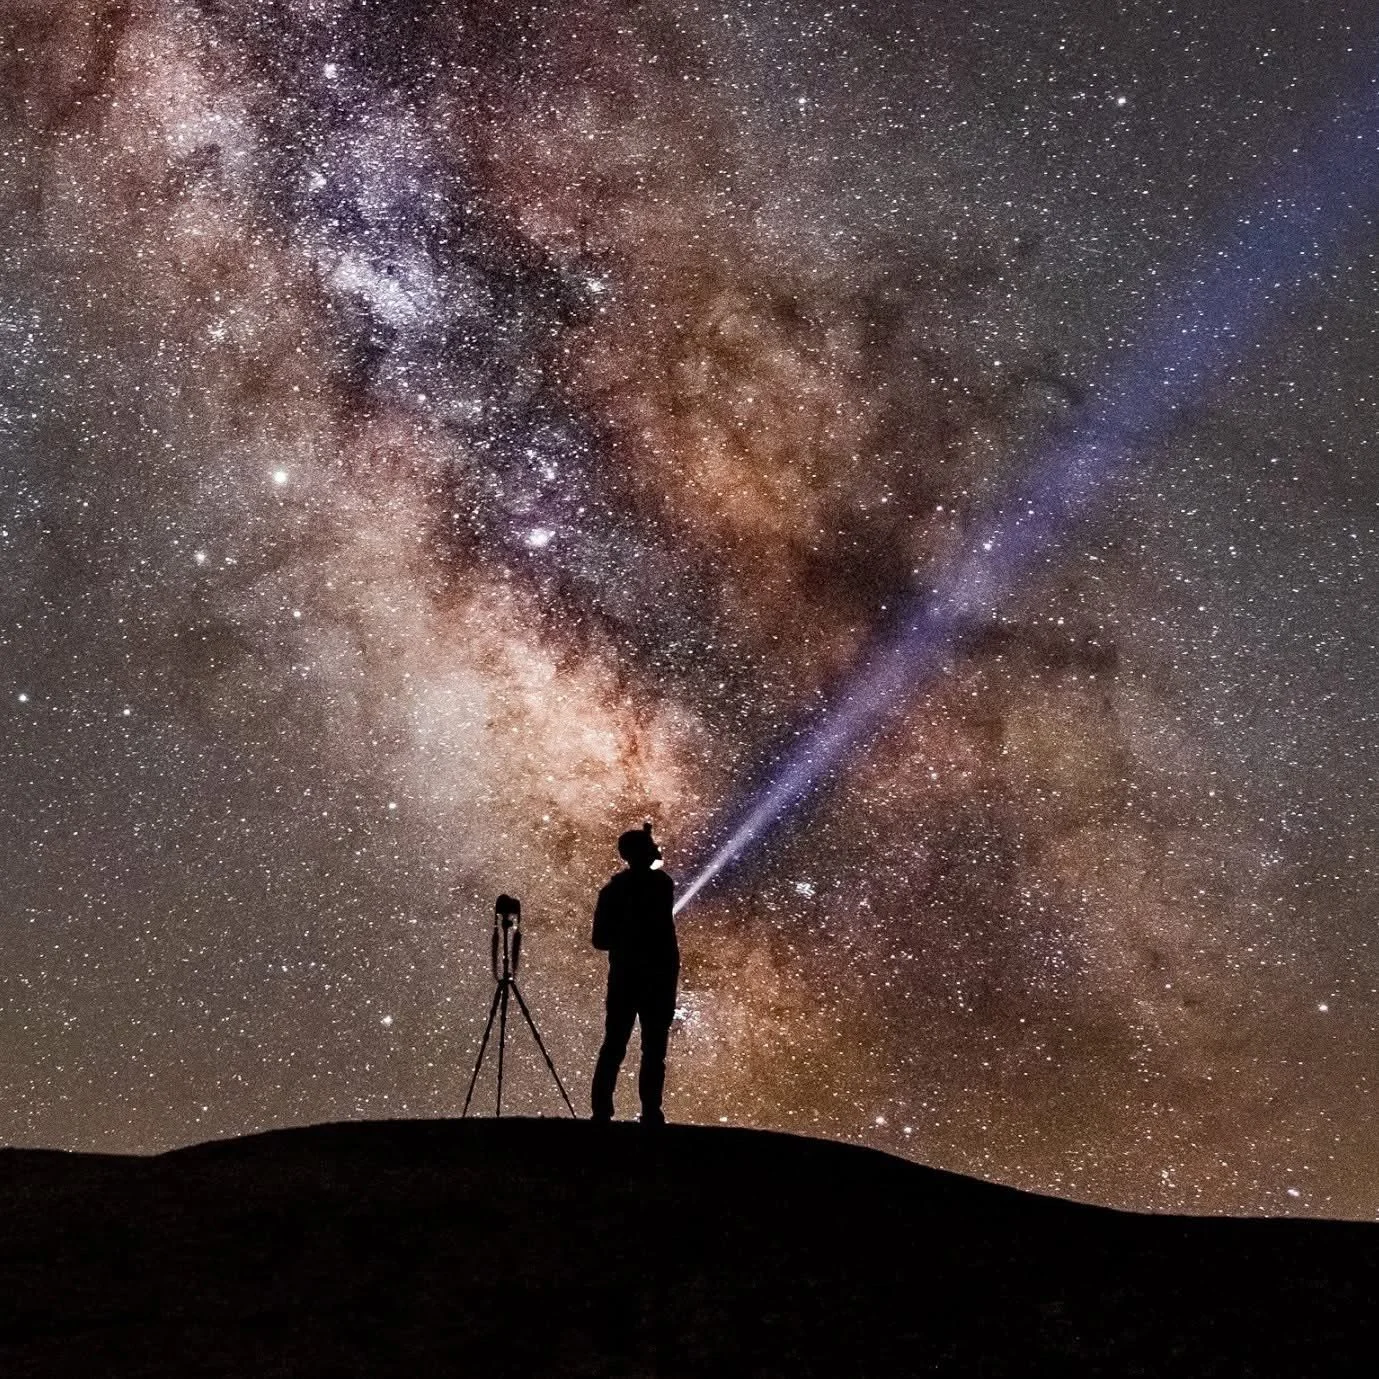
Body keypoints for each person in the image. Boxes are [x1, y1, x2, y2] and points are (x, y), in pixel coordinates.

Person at [590, 823, 679, 1126]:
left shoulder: (612, 891)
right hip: (656, 980)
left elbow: (600, 940)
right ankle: (650, 1112)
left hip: (626, 979)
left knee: (614, 1046)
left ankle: (602, 1112)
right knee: (652, 1050)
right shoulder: (661, 885)